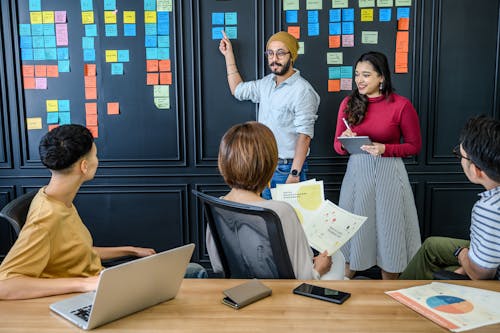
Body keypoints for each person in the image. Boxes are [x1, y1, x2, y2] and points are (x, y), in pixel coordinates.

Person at [0, 124, 205, 300]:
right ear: (84, 166)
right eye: (96, 156)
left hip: (102, 278)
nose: (98, 160)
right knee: (195, 273)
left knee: (191, 271)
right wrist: (85, 284)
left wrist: (131, 250)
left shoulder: (57, 199)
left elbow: (78, 253)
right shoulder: (46, 217)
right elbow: (5, 285)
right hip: (94, 291)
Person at [206, 121, 345, 280]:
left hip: (239, 292)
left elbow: (218, 265)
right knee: (338, 258)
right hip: (282, 297)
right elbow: (305, 276)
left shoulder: (217, 206)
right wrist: (319, 268)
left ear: (223, 162)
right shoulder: (281, 211)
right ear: (270, 165)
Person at [333, 51, 422, 280]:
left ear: (381, 77)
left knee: (390, 234)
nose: (359, 80)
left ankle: (389, 295)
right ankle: (343, 288)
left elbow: (414, 146)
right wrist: (346, 139)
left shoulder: (401, 105)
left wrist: (385, 149)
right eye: (356, 75)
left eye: (366, 75)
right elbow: (337, 146)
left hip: (389, 175)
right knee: (351, 235)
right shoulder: (348, 103)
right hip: (356, 176)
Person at [219, 30, 320, 199]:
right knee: (264, 221)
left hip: (286, 169)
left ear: (292, 56)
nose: (274, 59)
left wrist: (294, 174)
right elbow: (238, 90)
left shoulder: (303, 91)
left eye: (280, 53)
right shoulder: (267, 83)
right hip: (263, 167)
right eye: (270, 53)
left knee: (285, 222)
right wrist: (228, 54)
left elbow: (305, 136)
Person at [400, 116, 500, 280]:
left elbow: (481, 274)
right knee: (432, 246)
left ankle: (401, 296)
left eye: (461, 156)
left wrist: (462, 254)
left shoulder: (488, 208)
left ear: (476, 170)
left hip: (491, 280)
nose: (461, 161)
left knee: (442, 266)